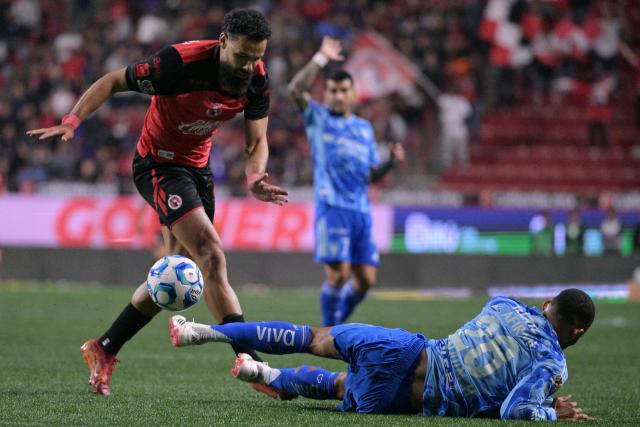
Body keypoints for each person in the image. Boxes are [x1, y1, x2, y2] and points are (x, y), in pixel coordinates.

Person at [27, 8, 288, 396]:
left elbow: (256, 142)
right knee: (211, 256)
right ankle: (252, 365)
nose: (250, 65)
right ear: (222, 43)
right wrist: (73, 120)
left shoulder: (256, 80)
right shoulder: (178, 64)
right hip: (158, 165)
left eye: (257, 57)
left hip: (197, 171)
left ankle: (104, 347)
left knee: (174, 273)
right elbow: (115, 81)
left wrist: (254, 176)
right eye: (242, 56)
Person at [169, 288, 595, 421]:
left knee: (311, 336)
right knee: (340, 386)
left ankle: (204, 332)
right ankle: (266, 374)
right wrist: (551, 411)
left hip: (409, 352)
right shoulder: (551, 365)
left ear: (546, 307)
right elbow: (514, 410)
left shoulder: (503, 305)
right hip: (414, 399)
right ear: (576, 331)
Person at [288, 37, 405, 327]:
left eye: (343, 90)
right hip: (332, 206)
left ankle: (339, 324)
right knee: (339, 274)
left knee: (366, 280)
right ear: (326, 95)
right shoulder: (317, 118)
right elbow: (295, 89)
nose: (338, 96)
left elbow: (369, 176)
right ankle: (330, 332)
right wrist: (320, 58)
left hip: (361, 211)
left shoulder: (364, 129)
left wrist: (391, 161)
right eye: (333, 91)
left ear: (353, 94)